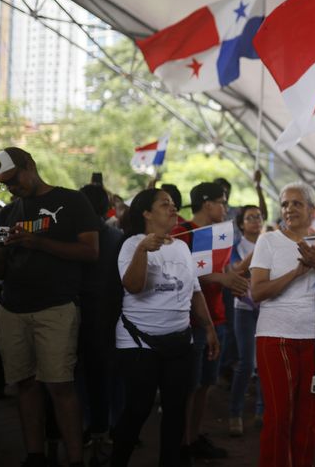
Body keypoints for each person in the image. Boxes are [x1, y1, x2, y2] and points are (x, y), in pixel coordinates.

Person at [0, 147, 99, 467]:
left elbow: (91, 251)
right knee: (24, 384)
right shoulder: (8, 213)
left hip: (55, 308)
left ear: (30, 165)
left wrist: (37, 242)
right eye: (5, 184)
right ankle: (35, 455)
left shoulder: (73, 201)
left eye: (14, 179)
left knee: (60, 386)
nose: (12, 187)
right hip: (12, 308)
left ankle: (75, 460)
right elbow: (1, 269)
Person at [250, 182, 315, 467]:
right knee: (279, 417)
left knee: (310, 417)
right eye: (285, 204)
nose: (289, 209)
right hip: (275, 338)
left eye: (297, 203)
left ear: (311, 210)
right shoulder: (268, 241)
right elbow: (257, 292)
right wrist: (297, 272)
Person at [111, 188, 220, 466]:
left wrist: (209, 328)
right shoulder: (131, 244)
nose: (173, 208)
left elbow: (195, 291)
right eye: (165, 204)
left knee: (175, 409)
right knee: (138, 408)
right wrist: (142, 250)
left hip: (180, 342)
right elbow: (133, 286)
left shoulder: (181, 247)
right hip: (139, 342)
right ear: (146, 213)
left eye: (173, 204)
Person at [172, 182, 248, 460]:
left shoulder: (219, 233)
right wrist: (222, 278)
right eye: (222, 202)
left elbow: (223, 269)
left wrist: (235, 279)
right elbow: (182, 275)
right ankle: (180, 443)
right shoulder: (182, 233)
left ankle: (193, 438)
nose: (226, 208)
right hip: (191, 321)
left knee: (206, 383)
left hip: (218, 318)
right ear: (207, 204)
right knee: (189, 386)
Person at [77, 184, 124, 454]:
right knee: (113, 373)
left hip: (78, 309)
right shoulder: (117, 236)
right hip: (111, 312)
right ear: (107, 207)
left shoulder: (71, 235)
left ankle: (88, 425)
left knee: (79, 373)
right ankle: (113, 426)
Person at [227, 205, 265, 436]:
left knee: (264, 362)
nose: (256, 221)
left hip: (267, 307)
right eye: (250, 218)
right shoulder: (237, 246)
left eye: (258, 217)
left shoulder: (269, 243)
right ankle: (235, 413)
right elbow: (237, 271)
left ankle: (262, 410)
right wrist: (258, 250)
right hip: (244, 308)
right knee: (246, 363)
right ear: (241, 224)